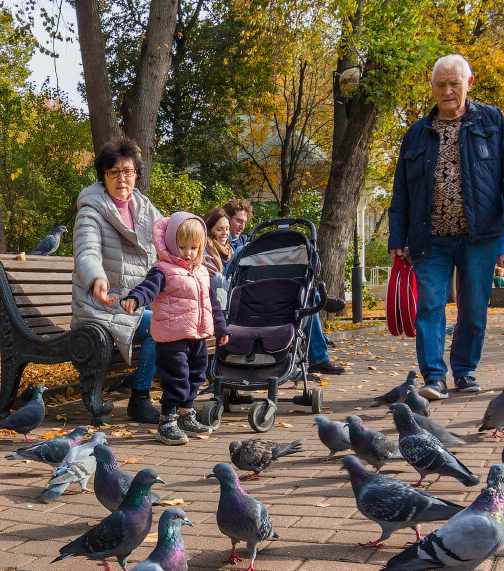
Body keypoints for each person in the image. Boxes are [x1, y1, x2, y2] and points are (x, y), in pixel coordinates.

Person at [387, 54, 504, 400]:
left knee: (474, 306)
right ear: (432, 87)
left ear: (470, 82)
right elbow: (401, 189)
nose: (448, 90)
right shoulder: (417, 134)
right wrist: (396, 234)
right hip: (428, 236)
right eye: (441, 84)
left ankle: (464, 371)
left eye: (454, 83)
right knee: (430, 306)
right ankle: (434, 377)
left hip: (479, 233)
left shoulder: (491, 120)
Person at [71, 135, 163, 423]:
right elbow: (86, 251)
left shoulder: (144, 208)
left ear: (136, 173)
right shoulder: (91, 212)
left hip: (135, 304)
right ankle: (140, 397)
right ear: (103, 176)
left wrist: (197, 251)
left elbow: (169, 241)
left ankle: (180, 396)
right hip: (102, 306)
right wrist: (96, 279)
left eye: (128, 171)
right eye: (114, 172)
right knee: (159, 325)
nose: (122, 178)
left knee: (176, 315)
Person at [120, 212, 228, 445]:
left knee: (196, 375)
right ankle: (167, 420)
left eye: (194, 248)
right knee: (176, 378)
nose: (188, 253)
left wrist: (221, 329)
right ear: (170, 244)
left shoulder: (200, 272)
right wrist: (134, 299)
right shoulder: (163, 270)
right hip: (172, 338)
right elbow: (147, 288)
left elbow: (213, 304)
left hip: (197, 336)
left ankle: (186, 413)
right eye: (182, 247)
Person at [223, 198, 346, 375]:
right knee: (307, 301)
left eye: (244, 222)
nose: (241, 225)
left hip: (260, 292)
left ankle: (317, 302)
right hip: (241, 297)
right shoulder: (216, 240)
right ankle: (321, 308)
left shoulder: (247, 242)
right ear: (227, 218)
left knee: (304, 298)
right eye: (238, 220)